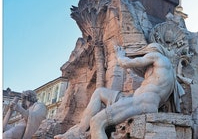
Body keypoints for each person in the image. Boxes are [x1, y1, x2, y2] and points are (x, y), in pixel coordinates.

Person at [55, 42, 184, 139]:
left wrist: (120, 56)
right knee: (99, 92)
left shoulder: (156, 56)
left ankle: (81, 132)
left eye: (145, 54)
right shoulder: (166, 72)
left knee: (97, 122)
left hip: (142, 102)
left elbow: (125, 63)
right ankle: (79, 131)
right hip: (135, 99)